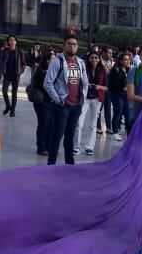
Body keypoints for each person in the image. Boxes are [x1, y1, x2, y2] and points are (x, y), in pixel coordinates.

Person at [43, 35, 91, 164]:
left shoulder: (80, 62)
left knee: (70, 136)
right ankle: (51, 163)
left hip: (76, 105)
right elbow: (47, 83)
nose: (72, 46)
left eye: (74, 44)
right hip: (62, 105)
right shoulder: (57, 61)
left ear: (77, 46)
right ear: (64, 46)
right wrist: (58, 99)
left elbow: (85, 82)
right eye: (69, 44)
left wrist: (82, 99)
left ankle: (69, 163)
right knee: (57, 135)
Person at [75, 50, 107, 156]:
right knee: (79, 123)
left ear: (99, 59)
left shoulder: (103, 70)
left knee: (93, 124)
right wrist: (85, 85)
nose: (94, 60)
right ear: (88, 59)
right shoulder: (83, 69)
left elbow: (107, 87)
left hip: (97, 98)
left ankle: (89, 147)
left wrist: (99, 87)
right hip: (84, 98)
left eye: (96, 58)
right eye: (91, 58)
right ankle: (76, 146)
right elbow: (78, 82)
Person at [27, 47, 54, 155]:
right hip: (42, 102)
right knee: (44, 124)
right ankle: (41, 147)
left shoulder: (52, 72)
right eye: (53, 59)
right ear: (47, 60)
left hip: (51, 102)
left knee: (51, 125)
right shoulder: (41, 72)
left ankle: (48, 146)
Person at [106, 51, 131, 140]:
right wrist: (124, 87)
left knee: (128, 113)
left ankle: (129, 132)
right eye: (125, 60)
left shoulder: (129, 69)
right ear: (120, 61)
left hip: (125, 94)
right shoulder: (116, 69)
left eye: (128, 59)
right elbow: (114, 83)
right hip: (116, 93)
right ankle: (115, 131)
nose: (127, 61)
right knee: (118, 111)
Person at [0, 35, 25, 116]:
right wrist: (0, 73)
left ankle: (12, 110)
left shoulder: (20, 51)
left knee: (14, 93)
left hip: (16, 75)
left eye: (13, 40)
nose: (12, 42)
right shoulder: (5, 50)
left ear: (16, 42)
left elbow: (24, 63)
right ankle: (8, 106)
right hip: (7, 74)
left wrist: (20, 71)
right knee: (4, 91)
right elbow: (2, 62)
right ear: (8, 42)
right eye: (10, 40)